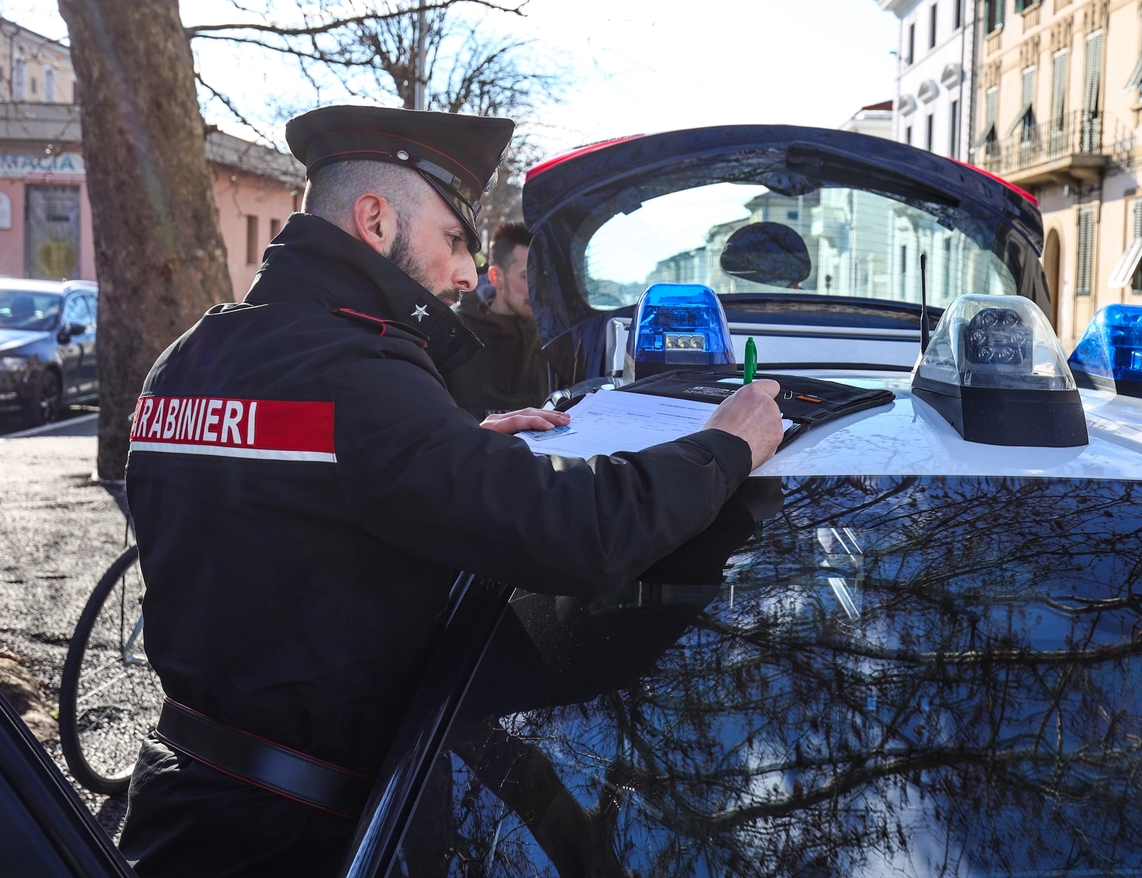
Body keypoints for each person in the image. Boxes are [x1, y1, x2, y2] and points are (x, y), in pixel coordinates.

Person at [116, 105, 783, 877]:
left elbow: (284, 513)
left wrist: (452, 453)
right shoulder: (358, 378)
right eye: (454, 239)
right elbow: (579, 535)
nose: (468, 274)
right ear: (373, 219)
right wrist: (726, 446)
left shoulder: (192, 356)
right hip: (305, 839)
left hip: (181, 810)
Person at [446, 222, 551, 419]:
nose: (536, 287)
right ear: (496, 277)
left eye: (541, 276)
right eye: (526, 276)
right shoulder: (456, 335)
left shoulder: (550, 337)